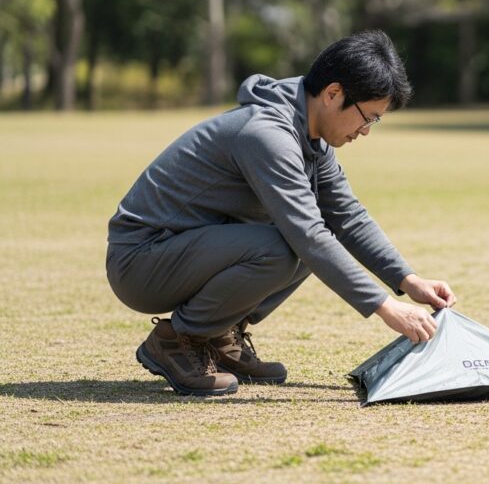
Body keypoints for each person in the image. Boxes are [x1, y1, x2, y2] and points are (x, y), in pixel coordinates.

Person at [105, 30, 456, 396]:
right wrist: (386, 308)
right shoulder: (267, 134)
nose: (366, 131)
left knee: (302, 240)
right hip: (141, 262)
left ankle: (217, 335)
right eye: (368, 117)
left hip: (179, 253)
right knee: (288, 245)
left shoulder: (309, 136)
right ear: (333, 93)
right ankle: (179, 340)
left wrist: (408, 280)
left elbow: (346, 216)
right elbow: (307, 235)